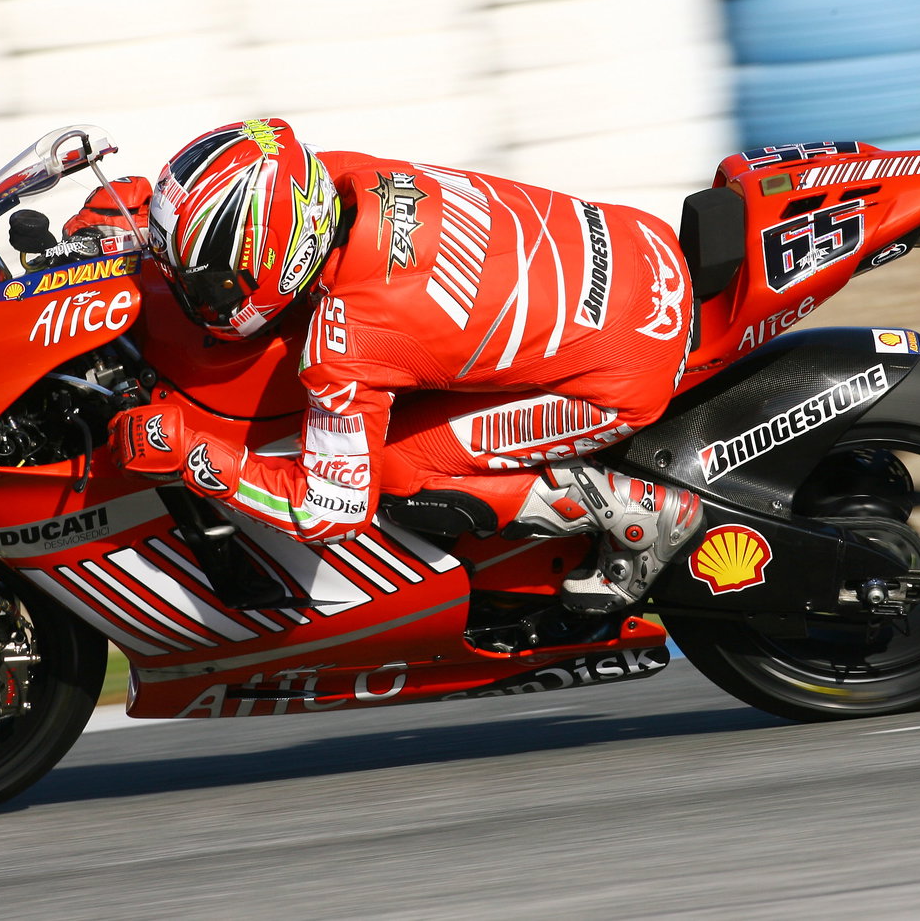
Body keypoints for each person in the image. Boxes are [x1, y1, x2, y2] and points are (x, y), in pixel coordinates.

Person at [108, 118, 704, 615]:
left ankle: (635, 512)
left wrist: (195, 456)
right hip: (639, 243)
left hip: (625, 369)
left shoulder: (346, 346)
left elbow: (331, 509)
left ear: (268, 252)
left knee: (392, 464)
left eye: (209, 279)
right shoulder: (343, 173)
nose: (201, 298)